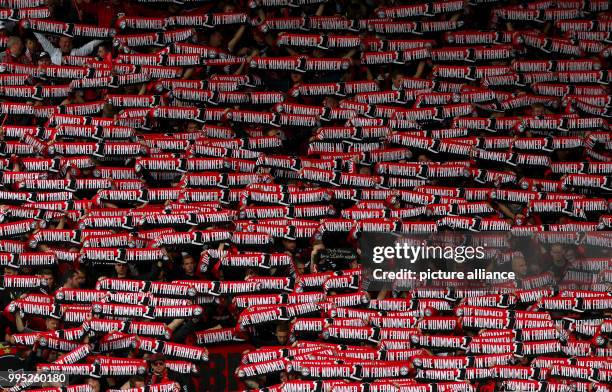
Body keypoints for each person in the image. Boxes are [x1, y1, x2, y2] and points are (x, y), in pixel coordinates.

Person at [32, 33, 103, 65]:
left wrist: (105, 36)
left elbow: (90, 46)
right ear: (59, 43)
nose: (67, 44)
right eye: (65, 42)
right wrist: (32, 25)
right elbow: (42, 40)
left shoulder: (76, 53)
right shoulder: (53, 52)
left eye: (69, 42)